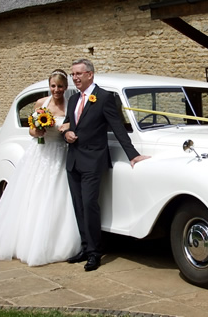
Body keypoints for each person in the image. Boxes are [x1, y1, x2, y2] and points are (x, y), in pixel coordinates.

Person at [0, 69, 81, 266]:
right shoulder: (41, 104)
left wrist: (67, 129)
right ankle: (26, 240)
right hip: (41, 153)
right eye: (53, 86)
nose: (57, 90)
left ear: (65, 87)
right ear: (49, 86)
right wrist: (38, 130)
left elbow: (74, 125)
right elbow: (31, 129)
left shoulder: (71, 104)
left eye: (60, 86)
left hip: (61, 153)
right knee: (33, 194)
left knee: (58, 196)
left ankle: (56, 241)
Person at [63, 59, 149, 271]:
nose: (74, 78)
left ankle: (94, 252)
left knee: (90, 205)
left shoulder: (104, 98)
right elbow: (67, 123)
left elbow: (118, 127)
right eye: (72, 74)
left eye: (78, 74)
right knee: (78, 206)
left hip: (93, 161)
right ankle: (84, 247)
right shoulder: (73, 99)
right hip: (73, 160)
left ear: (90, 74)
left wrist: (132, 154)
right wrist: (67, 133)